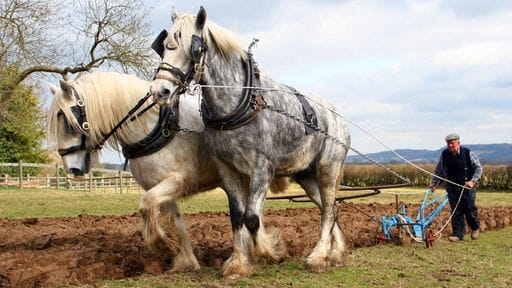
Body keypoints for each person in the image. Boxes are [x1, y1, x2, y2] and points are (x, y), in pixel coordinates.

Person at [428, 133, 483, 242]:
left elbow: (478, 168)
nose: (450, 146)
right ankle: (458, 234)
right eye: (448, 143)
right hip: (452, 187)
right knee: (456, 211)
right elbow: (439, 170)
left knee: (469, 208)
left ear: (458, 143)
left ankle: (475, 228)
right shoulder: (444, 155)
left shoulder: (468, 153)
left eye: (452, 143)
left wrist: (472, 181)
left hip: (466, 187)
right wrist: (434, 183)